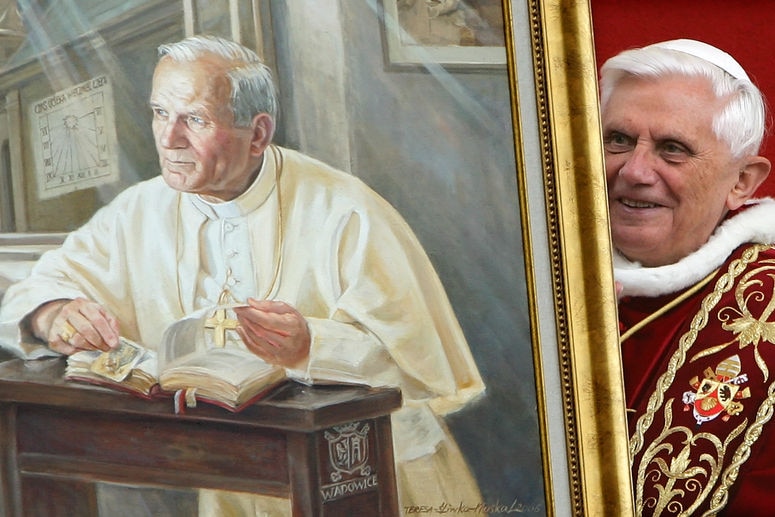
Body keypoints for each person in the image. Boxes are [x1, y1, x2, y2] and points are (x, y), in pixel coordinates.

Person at [0, 35, 485, 515]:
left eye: (195, 119)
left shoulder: (346, 210)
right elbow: (35, 289)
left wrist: (311, 345)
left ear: (257, 134)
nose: (169, 138)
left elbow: (420, 363)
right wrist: (54, 313)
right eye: (160, 113)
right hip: (230, 474)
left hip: (367, 472)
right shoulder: (138, 210)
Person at [601, 39, 775, 515]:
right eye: (617, 139)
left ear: (741, 182)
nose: (635, 171)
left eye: (672, 149)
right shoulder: (522, 276)